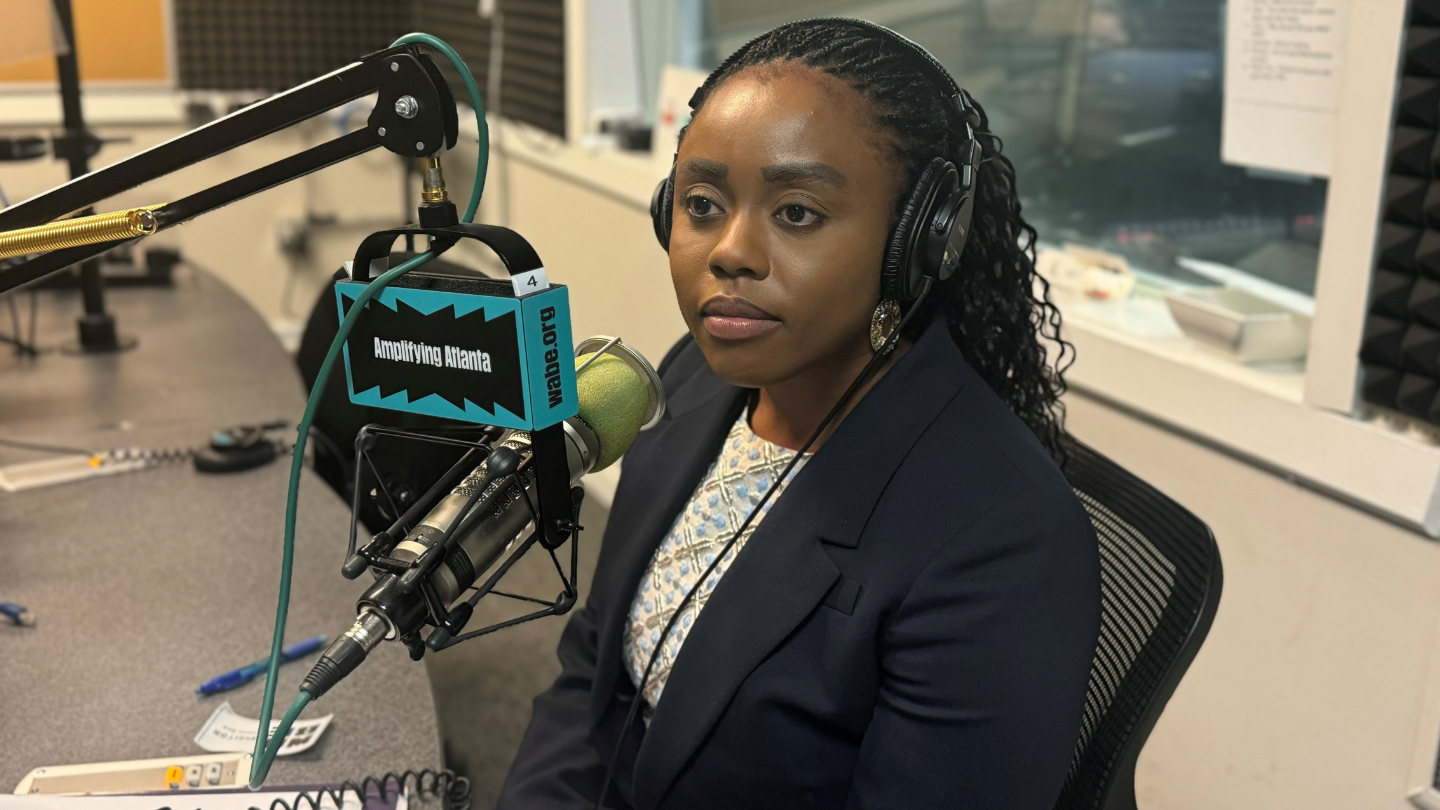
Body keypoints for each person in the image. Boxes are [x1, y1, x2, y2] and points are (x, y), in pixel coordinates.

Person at [499, 18, 1100, 810]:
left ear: (918, 243)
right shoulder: (694, 381)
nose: (730, 252)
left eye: (797, 213)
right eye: (703, 203)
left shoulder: (1003, 543)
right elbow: (593, 677)